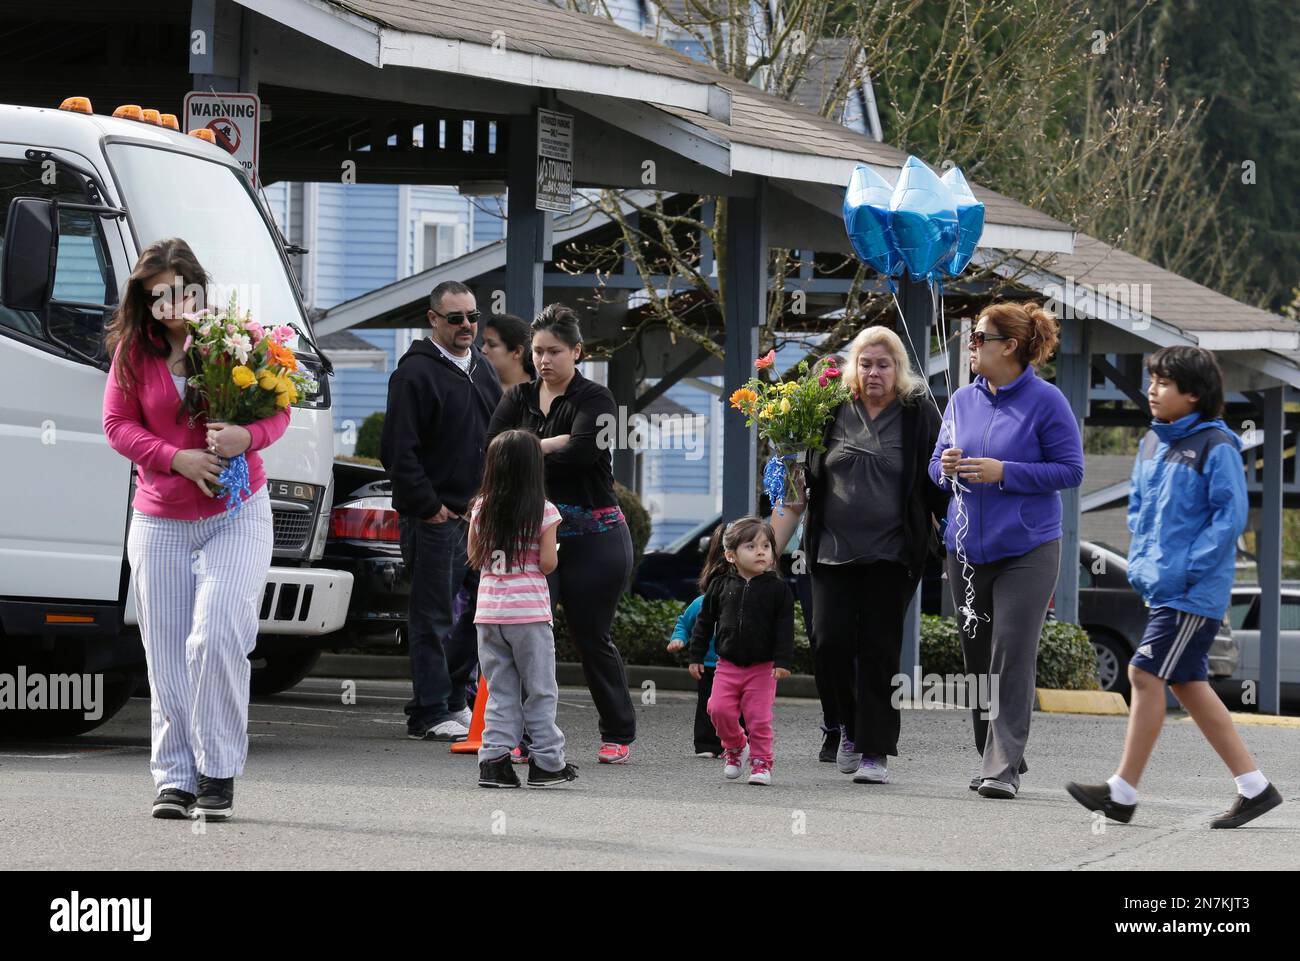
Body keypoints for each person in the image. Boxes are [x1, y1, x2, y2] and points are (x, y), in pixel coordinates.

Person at [102, 238, 289, 821]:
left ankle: (218, 769)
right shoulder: (134, 353)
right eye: (159, 297)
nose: (173, 306)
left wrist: (246, 438)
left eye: (182, 293)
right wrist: (173, 457)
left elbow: (280, 410)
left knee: (215, 637)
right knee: (165, 652)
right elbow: (115, 425)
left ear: (199, 290)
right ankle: (176, 778)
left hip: (237, 512)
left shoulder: (239, 339)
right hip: (159, 518)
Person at [1067, 347, 1282, 828]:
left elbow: (1230, 519)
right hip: (1162, 585)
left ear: (1194, 394)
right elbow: (1140, 513)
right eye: (1153, 380)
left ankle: (1121, 793)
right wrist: (1144, 566)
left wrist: (1185, 570)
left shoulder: (1217, 445)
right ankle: (1256, 788)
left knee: (1143, 673)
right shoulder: (1151, 444)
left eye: (1165, 382)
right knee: (1188, 684)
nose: (1153, 389)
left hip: (1192, 591)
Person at [771, 332, 948, 784]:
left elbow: (937, 482)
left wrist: (954, 538)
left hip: (893, 553)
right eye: (866, 363)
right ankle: (845, 725)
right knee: (828, 642)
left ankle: (874, 750)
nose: (874, 372)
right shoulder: (827, 407)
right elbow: (798, 481)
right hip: (831, 551)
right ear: (854, 367)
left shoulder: (918, 412)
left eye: (883, 364)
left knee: (879, 649)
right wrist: (770, 546)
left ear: (899, 368)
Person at [929, 301, 1084, 799]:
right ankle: (994, 753)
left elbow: (1070, 470)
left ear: (1009, 346)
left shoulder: (1047, 401)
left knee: (1010, 654)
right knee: (978, 659)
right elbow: (934, 467)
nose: (971, 344)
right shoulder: (959, 401)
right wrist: (945, 467)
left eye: (979, 336)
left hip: (1028, 550)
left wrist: (1005, 473)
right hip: (966, 552)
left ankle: (1002, 767)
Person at [487, 304, 637, 763]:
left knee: (591, 634)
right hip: (534, 537)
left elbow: (585, 452)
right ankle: (528, 738)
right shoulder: (517, 398)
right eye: (537, 352)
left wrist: (527, 444)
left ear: (577, 351)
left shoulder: (596, 399)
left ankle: (618, 731)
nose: (544, 360)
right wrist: (552, 442)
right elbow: (494, 450)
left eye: (554, 351)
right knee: (532, 636)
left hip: (597, 535)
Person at [380, 280, 503, 741]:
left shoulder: (484, 370)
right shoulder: (414, 373)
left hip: (479, 520)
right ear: (433, 319)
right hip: (436, 521)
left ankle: (454, 700)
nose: (468, 326)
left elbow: (497, 438)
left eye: (473, 317)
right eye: (456, 318)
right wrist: (429, 508)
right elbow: (397, 449)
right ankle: (429, 711)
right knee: (432, 617)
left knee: (480, 614)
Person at [468, 430, 579, 789]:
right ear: (534, 467)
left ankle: (494, 762)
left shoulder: (481, 507)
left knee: (500, 691)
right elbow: (547, 564)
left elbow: (474, 557)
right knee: (540, 689)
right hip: (528, 614)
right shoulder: (544, 511)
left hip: (489, 614)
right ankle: (547, 763)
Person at [688, 516, 795, 786]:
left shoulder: (778, 590)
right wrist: (696, 656)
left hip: (762, 668)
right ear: (730, 555)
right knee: (717, 709)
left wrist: (783, 661)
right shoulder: (720, 586)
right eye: (751, 546)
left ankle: (761, 762)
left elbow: (785, 628)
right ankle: (735, 747)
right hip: (727, 665)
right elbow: (704, 623)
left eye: (766, 546)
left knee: (758, 717)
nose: (760, 551)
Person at [666, 523, 733, 758]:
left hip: (737, 665)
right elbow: (684, 624)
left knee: (737, 708)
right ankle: (707, 744)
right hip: (709, 666)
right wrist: (678, 640)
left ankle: (734, 744)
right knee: (708, 706)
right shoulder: (701, 603)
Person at [482, 313, 534, 388]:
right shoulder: (477, 386)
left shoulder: (543, 387)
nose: (483, 350)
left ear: (517, 352)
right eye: (483, 343)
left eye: (492, 344)